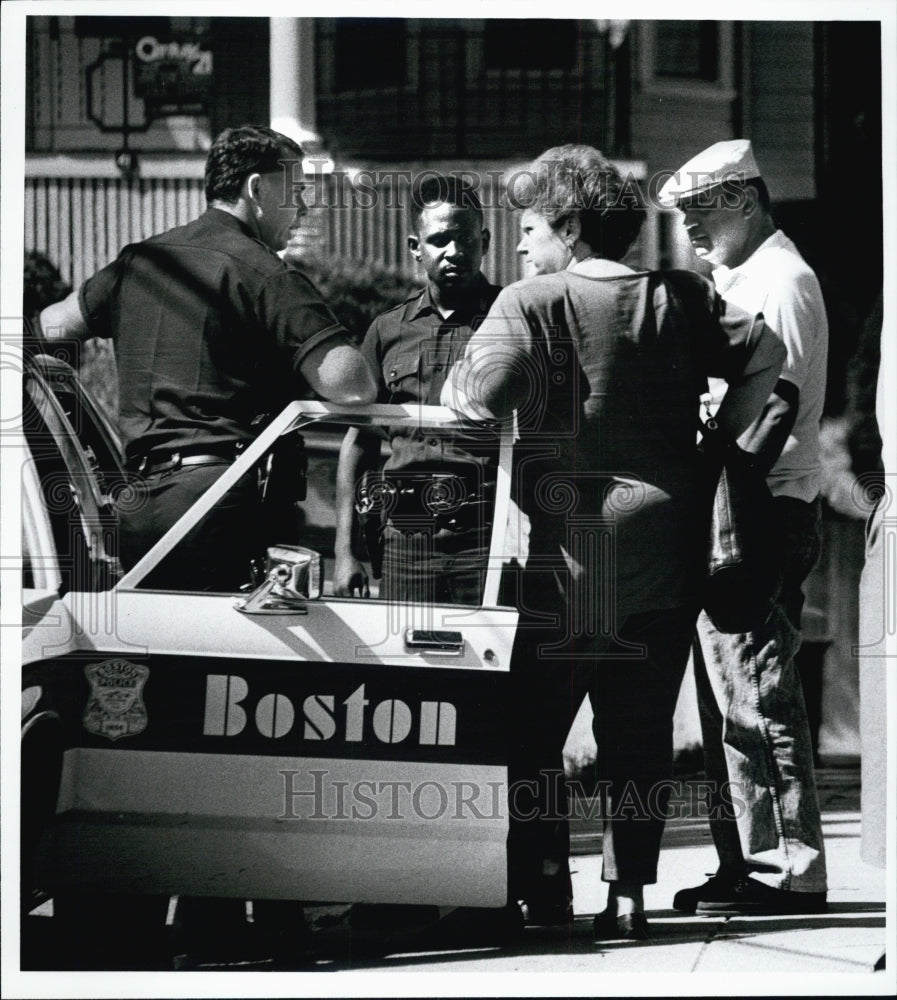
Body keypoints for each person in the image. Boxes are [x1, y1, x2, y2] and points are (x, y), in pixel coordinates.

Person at [442, 144, 786, 939]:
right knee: (636, 733)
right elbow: (765, 356)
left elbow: (480, 399)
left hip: (568, 554)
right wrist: (712, 451)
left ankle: (544, 890)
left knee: (532, 734)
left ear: (565, 229)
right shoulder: (681, 295)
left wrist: (469, 381)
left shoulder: (530, 301)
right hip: (666, 546)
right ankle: (628, 895)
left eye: (529, 227)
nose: (521, 245)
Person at [40, 124, 376, 591]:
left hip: (136, 505)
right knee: (246, 662)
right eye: (295, 190)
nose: (302, 207)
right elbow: (351, 383)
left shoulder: (140, 262)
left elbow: (49, 328)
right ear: (256, 189)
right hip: (225, 503)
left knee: (152, 659)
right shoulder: (266, 275)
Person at [659, 138, 829, 915]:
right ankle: (746, 860)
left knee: (758, 696)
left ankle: (787, 868)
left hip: (757, 511)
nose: (690, 224)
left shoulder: (780, 280)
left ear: (747, 199)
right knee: (732, 701)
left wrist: (711, 485)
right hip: (735, 510)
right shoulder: (738, 276)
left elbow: (775, 409)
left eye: (703, 207)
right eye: (684, 210)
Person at [332, 174, 500, 605]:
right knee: (406, 670)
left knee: (485, 669)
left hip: (487, 540)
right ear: (415, 247)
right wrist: (344, 551)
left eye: (465, 238)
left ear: (485, 240)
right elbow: (359, 443)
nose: (455, 251)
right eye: (440, 239)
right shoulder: (387, 331)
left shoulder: (511, 322)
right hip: (407, 540)